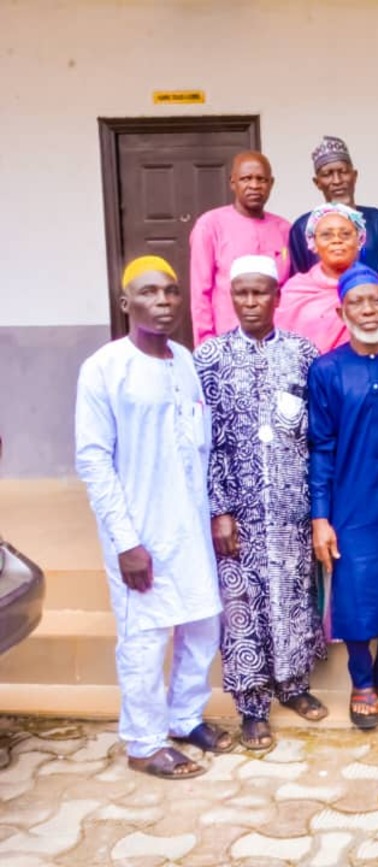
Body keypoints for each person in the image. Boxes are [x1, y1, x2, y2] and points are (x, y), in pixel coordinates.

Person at [75, 255, 230, 779]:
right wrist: (125, 541)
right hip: (139, 529)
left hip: (191, 523)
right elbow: (93, 460)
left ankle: (185, 717)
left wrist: (214, 514)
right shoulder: (104, 367)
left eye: (170, 291)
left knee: (202, 624)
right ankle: (144, 742)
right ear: (126, 304)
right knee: (145, 637)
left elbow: (199, 446)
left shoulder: (184, 361)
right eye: (148, 293)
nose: (163, 302)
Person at [194, 255, 326, 751]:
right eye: (242, 293)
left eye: (260, 293)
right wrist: (219, 509)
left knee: (293, 595)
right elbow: (205, 443)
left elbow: (317, 436)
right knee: (242, 603)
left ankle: (293, 685)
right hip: (239, 510)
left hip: (292, 505)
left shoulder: (303, 354)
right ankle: (251, 706)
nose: (250, 302)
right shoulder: (209, 358)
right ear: (231, 297)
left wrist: (317, 509)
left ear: (276, 297)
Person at [307, 262, 378, 730]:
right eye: (357, 302)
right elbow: (321, 446)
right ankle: (361, 683)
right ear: (342, 312)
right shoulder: (327, 370)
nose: (368, 309)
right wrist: (320, 517)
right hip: (352, 499)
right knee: (356, 589)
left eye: (376, 300)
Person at [190, 151, 291, 345]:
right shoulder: (210, 225)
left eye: (261, 179)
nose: (254, 185)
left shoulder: (284, 229)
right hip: (227, 343)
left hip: (276, 342)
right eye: (246, 179)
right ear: (232, 183)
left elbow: (289, 290)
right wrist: (206, 344)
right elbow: (200, 292)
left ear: (271, 183)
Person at [277, 203, 378, 353]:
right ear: (313, 242)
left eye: (345, 234)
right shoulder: (295, 291)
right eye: (326, 235)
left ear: (359, 240)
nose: (337, 240)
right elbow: (282, 349)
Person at [289, 136, 378, 276]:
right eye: (327, 174)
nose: (337, 181)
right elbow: (299, 280)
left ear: (354, 176)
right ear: (317, 182)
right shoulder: (303, 228)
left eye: (343, 172)